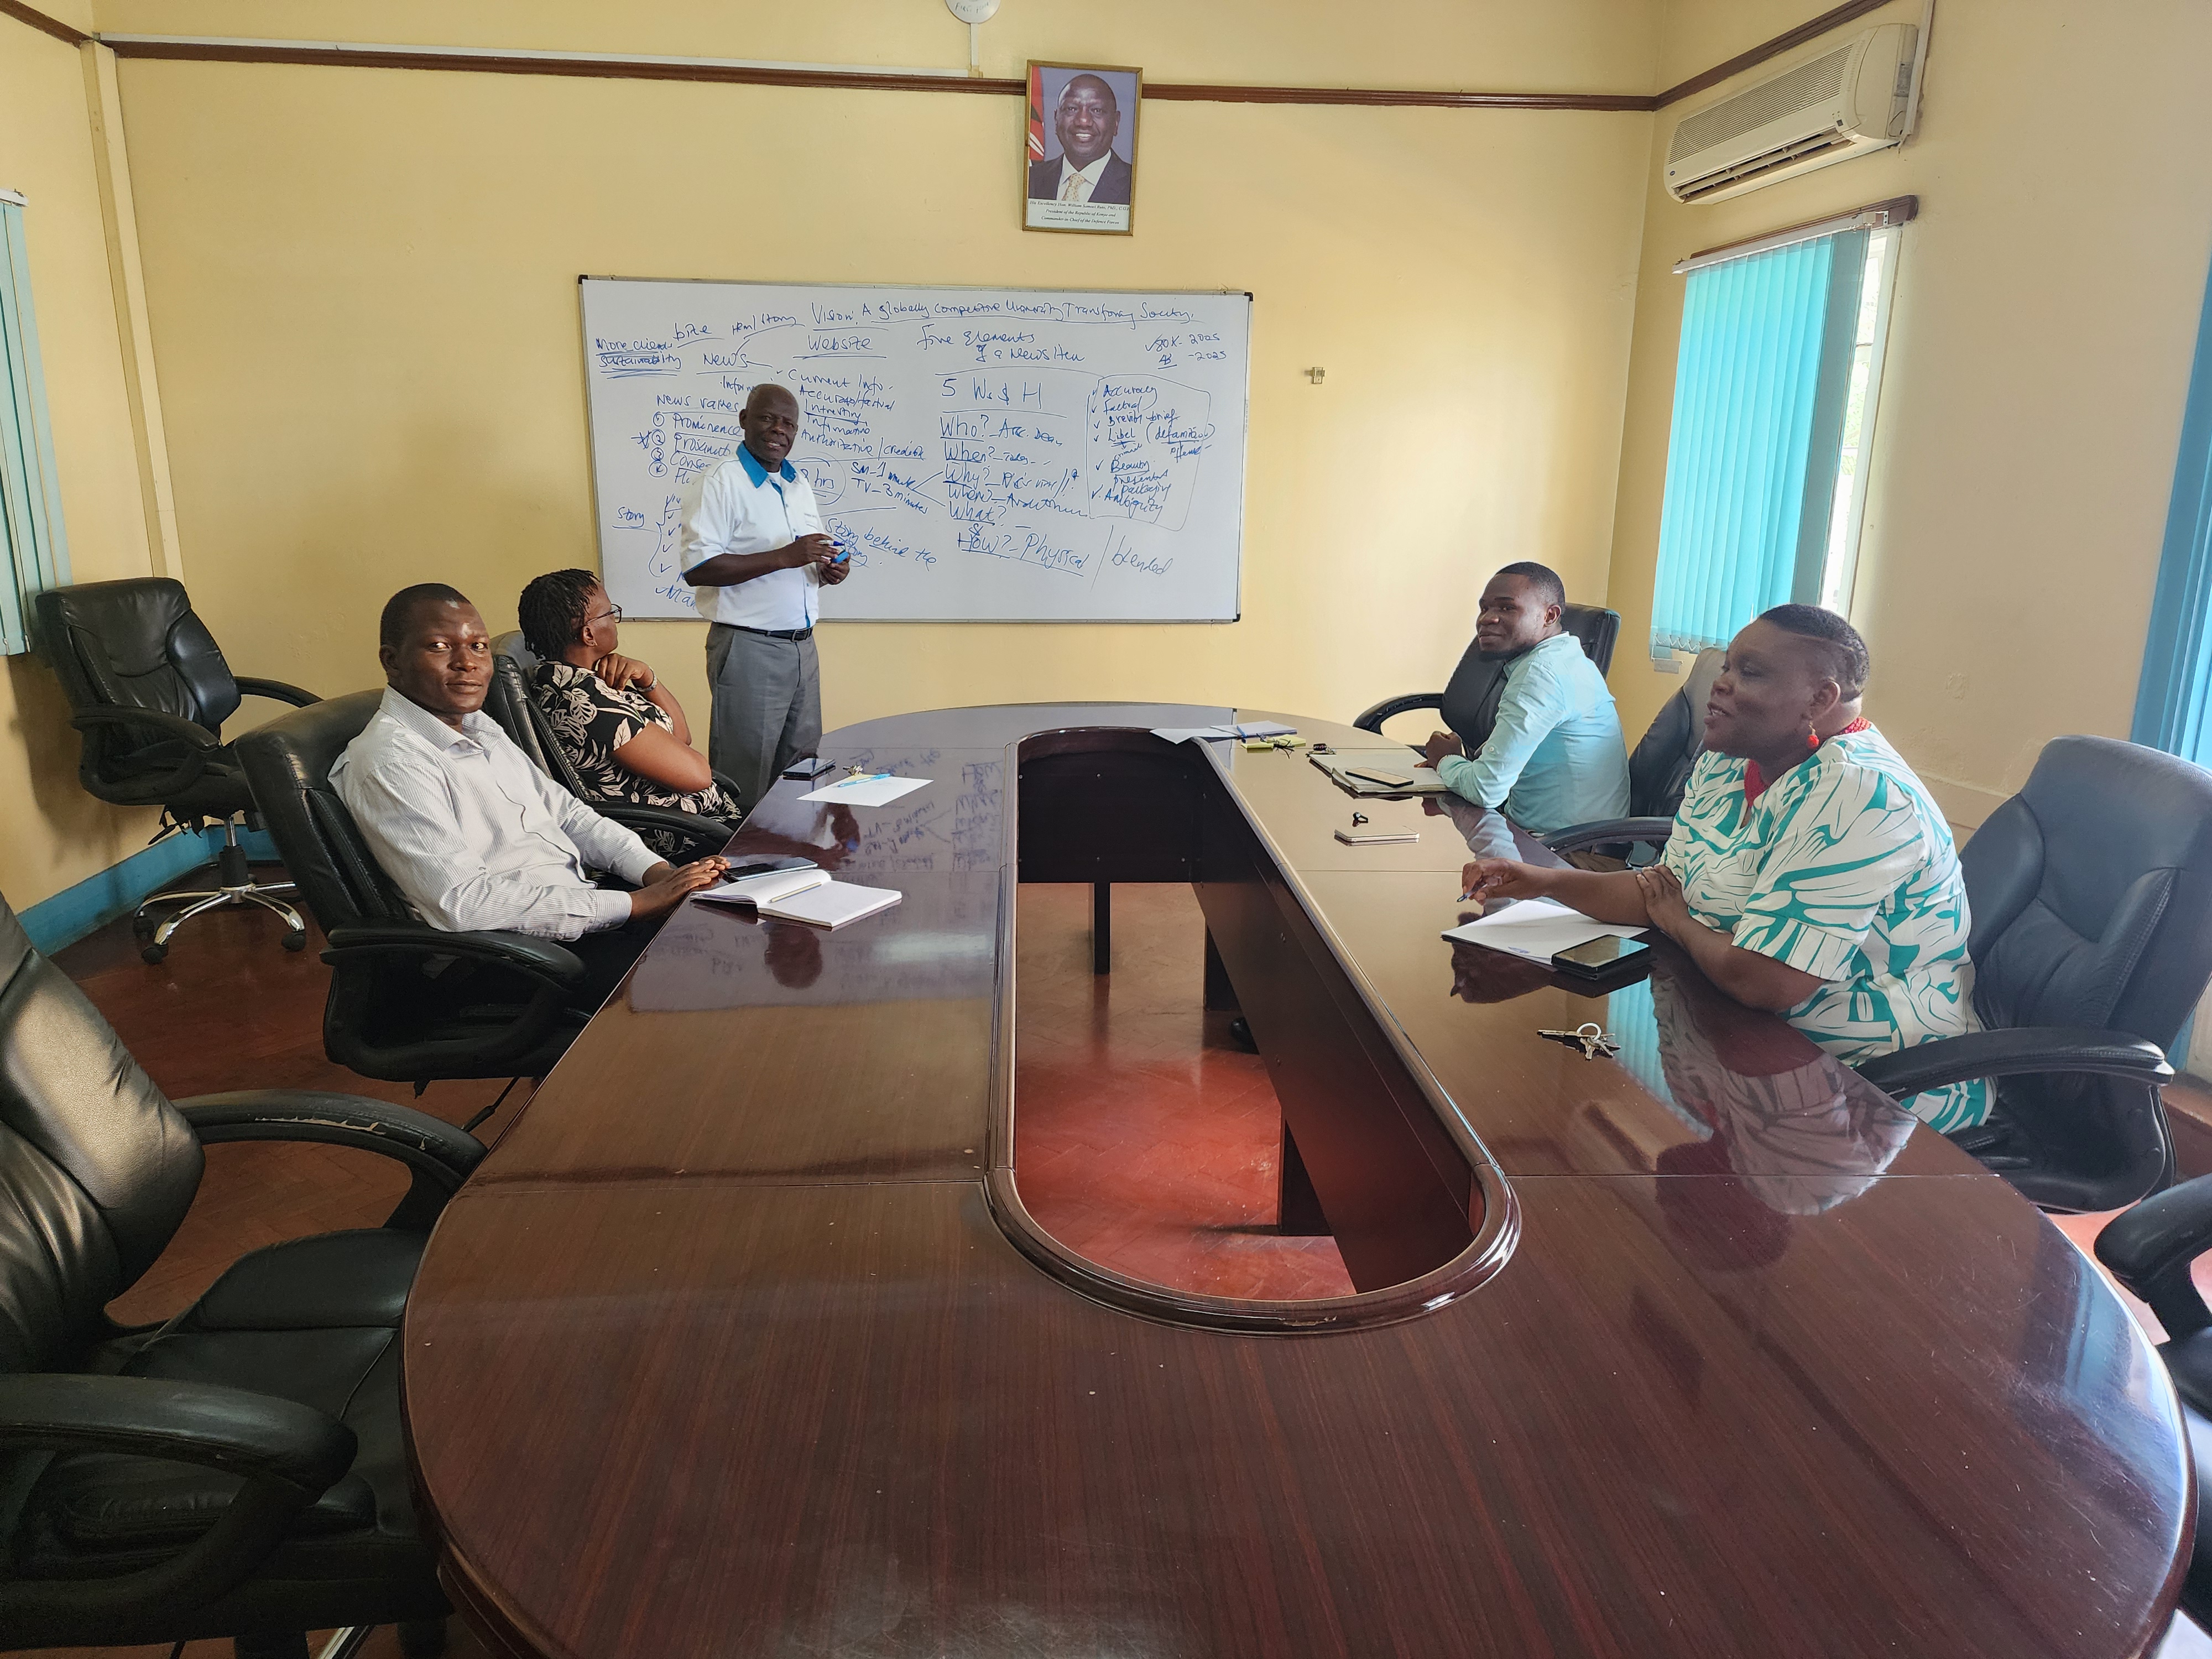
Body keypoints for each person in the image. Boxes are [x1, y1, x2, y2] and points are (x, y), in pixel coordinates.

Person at [1459, 603, 1989, 1133]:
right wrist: (1544, 882)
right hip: (1734, 1039)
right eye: (1728, 666)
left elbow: (1764, 981)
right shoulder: (1731, 755)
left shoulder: (1859, 792)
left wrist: (1681, 923)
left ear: (1821, 698)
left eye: (1750, 673)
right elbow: (1660, 891)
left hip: (1866, 1087)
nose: (1722, 684)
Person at [332, 583, 728, 1011]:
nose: (467, 663)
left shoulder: (477, 726)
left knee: (726, 933)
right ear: (391, 661)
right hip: (504, 957)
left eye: (478, 646)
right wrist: (633, 905)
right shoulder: (392, 762)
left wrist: (657, 873)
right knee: (703, 979)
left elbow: (570, 815)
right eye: (440, 647)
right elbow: (462, 905)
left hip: (569, 912)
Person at [680, 382, 851, 812]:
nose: (779, 430)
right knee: (745, 777)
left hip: (802, 649)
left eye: (789, 423)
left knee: (802, 772)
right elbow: (699, 568)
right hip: (749, 648)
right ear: (744, 420)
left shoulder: (798, 485)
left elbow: (804, 562)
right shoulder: (721, 482)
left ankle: (790, 869)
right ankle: (738, 875)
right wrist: (786, 556)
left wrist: (829, 571)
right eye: (767, 418)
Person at [517, 568, 739, 849]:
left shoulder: (589, 678)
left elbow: (681, 737)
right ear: (588, 634)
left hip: (698, 820)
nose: (614, 620)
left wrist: (647, 678)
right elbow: (697, 777)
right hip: (682, 834)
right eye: (609, 613)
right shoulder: (582, 698)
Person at [1417, 562, 1630, 838]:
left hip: (1569, 857)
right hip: (1546, 838)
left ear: (1549, 616)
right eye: (1485, 608)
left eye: (1507, 608)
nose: (1487, 619)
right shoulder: (1562, 659)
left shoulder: (1541, 674)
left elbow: (1485, 790)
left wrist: (1445, 760)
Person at [1026, 74, 1134, 204]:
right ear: (1056, 119)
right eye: (1072, 109)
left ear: (1116, 123)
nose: (1083, 121)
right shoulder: (1030, 180)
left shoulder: (1134, 184)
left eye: (1097, 110)